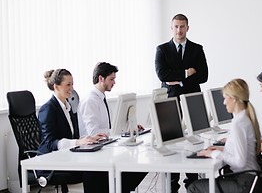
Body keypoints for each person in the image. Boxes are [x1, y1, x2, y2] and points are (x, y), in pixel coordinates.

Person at [155, 13, 209, 192]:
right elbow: (162, 75)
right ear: (171, 28)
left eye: (182, 26)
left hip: (192, 101)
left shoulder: (197, 49)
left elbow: (204, 76)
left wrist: (177, 78)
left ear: (187, 27)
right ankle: (172, 185)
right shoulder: (162, 50)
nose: (179, 30)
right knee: (172, 143)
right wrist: (187, 74)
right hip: (170, 102)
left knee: (193, 141)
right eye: (176, 26)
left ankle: (192, 183)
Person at [77, 62, 147, 193]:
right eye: (111, 79)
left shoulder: (101, 98)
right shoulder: (90, 100)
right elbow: (94, 133)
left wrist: (126, 128)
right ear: (100, 78)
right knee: (135, 166)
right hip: (93, 152)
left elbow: (110, 128)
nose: (114, 82)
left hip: (105, 146)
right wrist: (120, 131)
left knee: (138, 163)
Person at [187, 78, 262, 193]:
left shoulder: (239, 123)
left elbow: (240, 162)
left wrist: (214, 153)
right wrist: (221, 149)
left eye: (225, 98)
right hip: (249, 179)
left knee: (194, 187)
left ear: (233, 99)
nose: (224, 102)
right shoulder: (243, 118)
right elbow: (241, 150)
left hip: (244, 183)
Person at [38, 69, 106, 192]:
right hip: (50, 162)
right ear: (56, 87)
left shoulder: (69, 107)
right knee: (92, 171)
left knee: (99, 167)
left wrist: (88, 139)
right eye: (68, 84)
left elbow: (71, 137)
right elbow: (50, 143)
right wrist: (77, 142)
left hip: (67, 157)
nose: (72, 88)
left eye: (72, 84)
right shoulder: (48, 109)